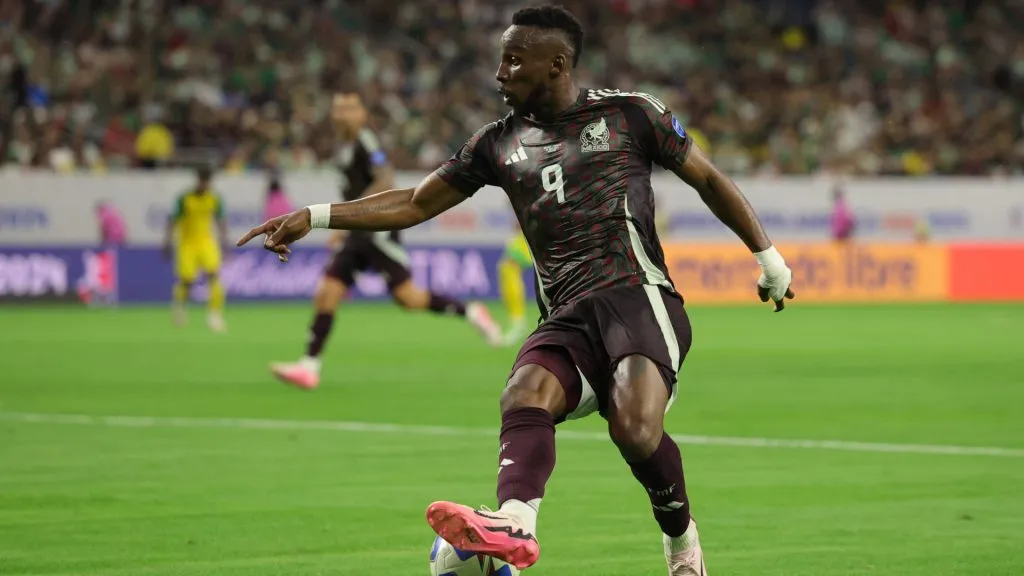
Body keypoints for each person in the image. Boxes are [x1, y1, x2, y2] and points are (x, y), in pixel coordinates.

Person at [238, 6, 795, 574]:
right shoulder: (496, 144)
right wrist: (315, 215)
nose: (499, 73)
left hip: (638, 298)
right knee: (523, 392)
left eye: (512, 60)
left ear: (555, 65)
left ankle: (682, 546)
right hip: (564, 317)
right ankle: (514, 525)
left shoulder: (631, 115)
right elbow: (414, 202)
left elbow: (707, 177)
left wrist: (768, 257)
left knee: (632, 426)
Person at [267, 92, 502, 390]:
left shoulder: (367, 141)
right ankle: (309, 367)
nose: (342, 114)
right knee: (328, 291)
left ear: (362, 114)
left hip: (375, 232)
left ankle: (470, 311)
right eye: (338, 108)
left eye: (350, 108)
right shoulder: (345, 146)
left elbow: (385, 178)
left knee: (408, 298)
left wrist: (347, 218)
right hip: (358, 233)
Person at [164, 166, 228, 332]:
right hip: (187, 244)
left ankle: (215, 316)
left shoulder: (214, 199)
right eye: (202, 181)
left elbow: (221, 221)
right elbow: (172, 220)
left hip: (206, 242)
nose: (204, 185)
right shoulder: (184, 199)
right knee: (187, 281)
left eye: (207, 182)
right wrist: (167, 241)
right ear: (197, 180)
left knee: (214, 275)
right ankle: (180, 308)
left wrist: (225, 243)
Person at [497, 221, 534, 346]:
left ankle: (518, 324)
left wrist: (514, 259)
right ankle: (516, 323)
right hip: (506, 274)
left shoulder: (525, 239)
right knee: (509, 298)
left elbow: (528, 259)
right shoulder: (515, 238)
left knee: (515, 295)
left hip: (514, 273)